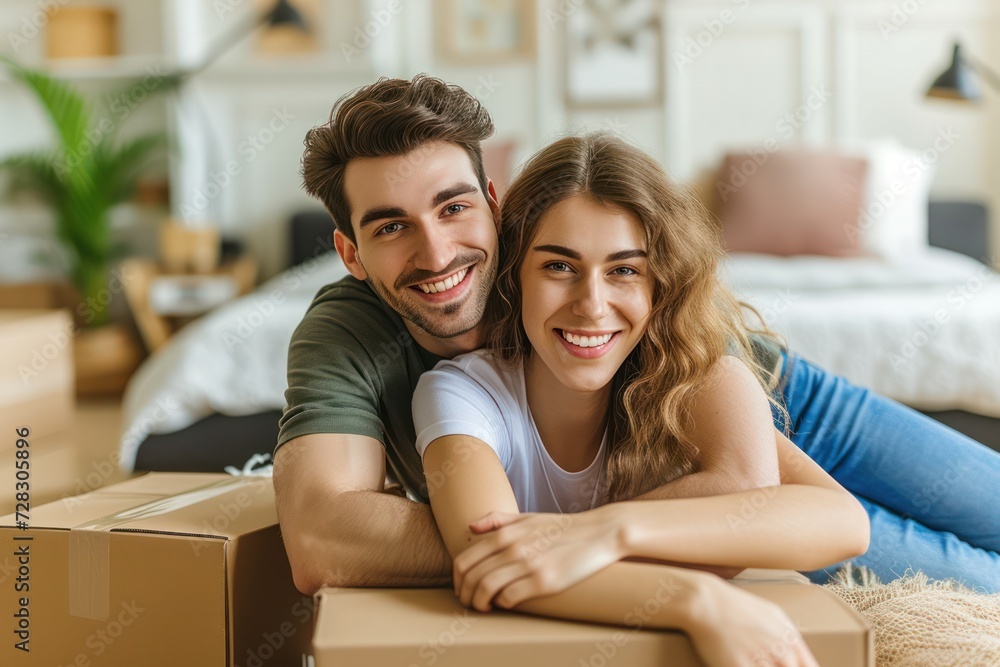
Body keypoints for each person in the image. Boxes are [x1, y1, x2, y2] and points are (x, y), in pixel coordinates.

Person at [274, 74, 1000, 599]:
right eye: (391, 226)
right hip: (678, 465)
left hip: (757, 394)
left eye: (453, 207)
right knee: (976, 582)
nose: (436, 255)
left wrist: (562, 532)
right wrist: (526, 537)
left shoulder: (567, 259)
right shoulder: (351, 336)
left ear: (495, 205)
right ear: (349, 253)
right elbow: (321, 537)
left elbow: (745, 481)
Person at [411, 133, 874, 666]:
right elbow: (487, 557)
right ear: (514, 275)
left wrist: (608, 530)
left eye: (625, 270)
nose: (592, 304)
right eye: (559, 266)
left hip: (811, 418)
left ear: (660, 285)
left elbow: (845, 522)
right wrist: (699, 601)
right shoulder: (464, 394)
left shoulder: (689, 374)